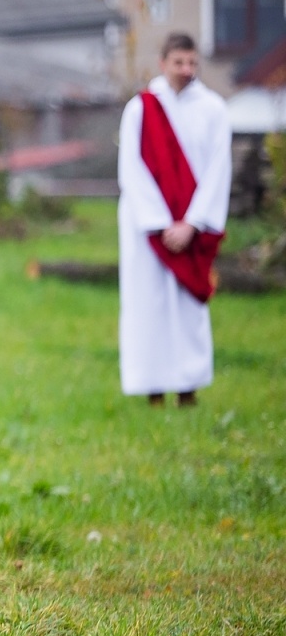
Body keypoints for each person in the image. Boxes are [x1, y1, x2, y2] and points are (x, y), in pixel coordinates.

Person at [117, 32, 231, 407]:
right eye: (179, 62)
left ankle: (188, 386)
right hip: (148, 228)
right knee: (147, 305)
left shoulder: (213, 109)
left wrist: (192, 222)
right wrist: (160, 222)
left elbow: (218, 170)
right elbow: (132, 169)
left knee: (187, 308)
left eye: (192, 63)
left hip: (191, 226)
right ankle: (152, 387)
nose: (186, 70)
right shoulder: (141, 108)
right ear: (163, 63)